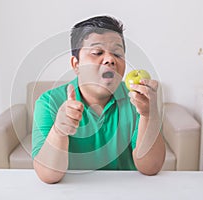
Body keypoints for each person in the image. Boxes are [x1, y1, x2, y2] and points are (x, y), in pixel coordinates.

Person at [32, 15, 166, 184]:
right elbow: (48, 176)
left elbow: (151, 167)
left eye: (117, 53)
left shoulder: (139, 100)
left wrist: (148, 114)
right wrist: (59, 131)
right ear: (76, 64)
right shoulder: (49, 102)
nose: (110, 59)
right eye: (97, 52)